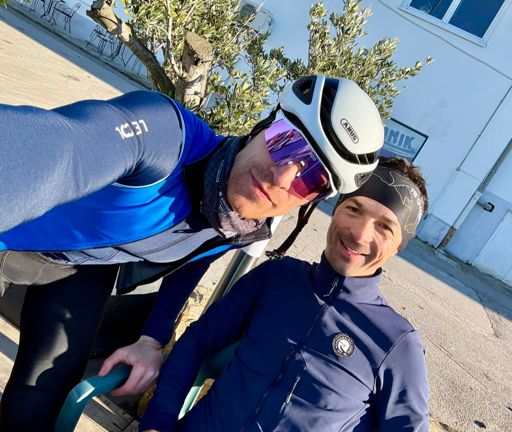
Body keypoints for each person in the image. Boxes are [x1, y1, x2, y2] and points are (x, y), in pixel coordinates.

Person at [0, 75, 384, 430]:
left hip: (82, 267)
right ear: (265, 124)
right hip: (11, 235)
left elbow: (192, 261)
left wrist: (152, 339)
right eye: (286, 142)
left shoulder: (241, 226)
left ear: (309, 202)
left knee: (45, 392)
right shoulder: (165, 136)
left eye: (310, 178)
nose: (282, 177)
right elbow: (60, 149)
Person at [140, 156, 430, 432]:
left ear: (398, 246)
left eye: (384, 227)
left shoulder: (396, 343)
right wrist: (158, 421)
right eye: (354, 209)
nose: (361, 234)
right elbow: (199, 340)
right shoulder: (277, 277)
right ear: (336, 209)